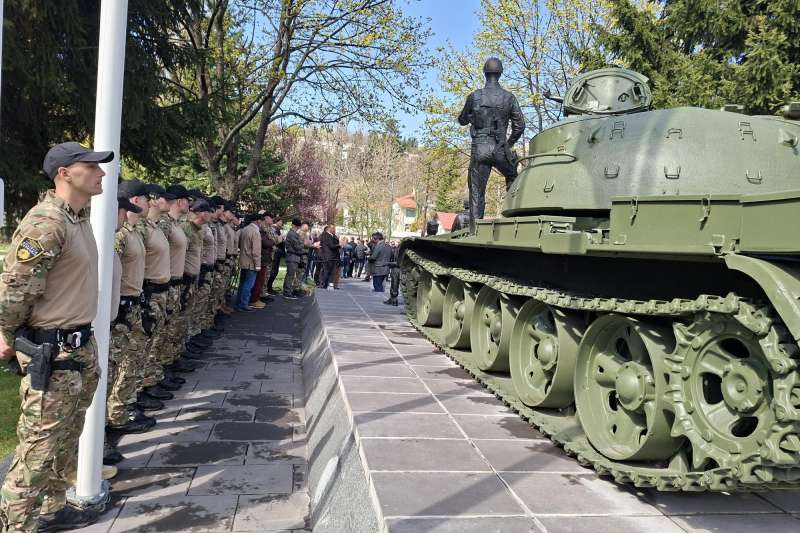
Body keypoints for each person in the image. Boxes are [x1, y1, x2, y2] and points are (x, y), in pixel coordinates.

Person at [0, 142, 113, 532]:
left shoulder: (78, 218)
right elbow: (15, 290)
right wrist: (6, 334)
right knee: (37, 450)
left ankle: (52, 508)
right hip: (52, 352)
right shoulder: (47, 223)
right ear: (65, 173)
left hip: (78, 348)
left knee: (66, 439)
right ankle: (16, 525)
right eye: (91, 167)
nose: (100, 173)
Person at [458, 57, 525, 228]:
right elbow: (520, 126)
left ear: (485, 73)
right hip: (500, 148)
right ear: (500, 73)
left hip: (480, 149)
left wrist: (473, 116)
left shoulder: (475, 96)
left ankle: (475, 233)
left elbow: (462, 120)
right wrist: (508, 143)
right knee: (513, 178)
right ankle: (514, 224)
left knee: (476, 192)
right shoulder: (509, 98)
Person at [236, 214, 262, 311]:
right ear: (258, 221)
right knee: (248, 284)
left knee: (242, 283)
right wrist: (257, 265)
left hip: (243, 260)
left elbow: (239, 244)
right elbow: (256, 251)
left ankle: (239, 303)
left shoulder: (244, 229)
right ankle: (243, 304)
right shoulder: (255, 231)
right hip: (251, 262)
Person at [250, 213, 275, 309]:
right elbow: (265, 243)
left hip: (263, 257)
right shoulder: (259, 230)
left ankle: (256, 298)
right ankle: (253, 300)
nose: (261, 223)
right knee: (257, 280)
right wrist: (274, 241)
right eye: (261, 221)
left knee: (260, 280)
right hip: (261, 258)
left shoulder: (261, 230)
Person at [282, 219, 304, 299]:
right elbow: (297, 246)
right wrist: (302, 243)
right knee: (290, 275)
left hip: (294, 256)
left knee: (291, 275)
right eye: (297, 226)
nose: (298, 228)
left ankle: (288, 291)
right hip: (292, 256)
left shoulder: (295, 234)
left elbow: (299, 244)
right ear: (294, 225)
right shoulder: (292, 234)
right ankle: (287, 292)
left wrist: (301, 243)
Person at [318, 224, 340, 290]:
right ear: (329, 228)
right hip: (327, 256)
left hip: (332, 257)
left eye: (335, 228)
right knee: (326, 271)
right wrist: (340, 245)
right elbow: (331, 245)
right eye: (333, 228)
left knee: (330, 271)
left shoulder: (332, 236)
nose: (334, 230)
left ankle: (327, 284)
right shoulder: (325, 235)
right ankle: (323, 284)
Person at [266, 219, 285, 294]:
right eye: (281, 221)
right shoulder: (273, 229)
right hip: (274, 253)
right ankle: (268, 288)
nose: (282, 223)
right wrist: (281, 237)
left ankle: (269, 287)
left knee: (275, 271)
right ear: (277, 221)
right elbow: (276, 241)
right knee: (273, 271)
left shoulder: (277, 229)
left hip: (277, 253)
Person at [384, 240, 402, 306]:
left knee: (394, 284)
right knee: (394, 284)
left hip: (397, 269)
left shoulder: (399, 250)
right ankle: (392, 299)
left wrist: (389, 263)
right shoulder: (399, 249)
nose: (396, 243)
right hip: (397, 268)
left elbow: (398, 262)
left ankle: (394, 300)